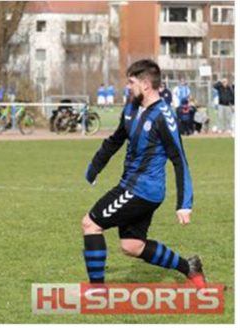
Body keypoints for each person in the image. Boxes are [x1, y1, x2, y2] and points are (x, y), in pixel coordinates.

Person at [82, 59, 205, 289]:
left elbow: (179, 160)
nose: (128, 87)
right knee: (132, 245)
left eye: (131, 82)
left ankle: (97, 292)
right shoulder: (130, 108)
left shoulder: (163, 116)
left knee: (90, 224)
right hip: (136, 187)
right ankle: (189, 267)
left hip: (141, 189)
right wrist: (94, 167)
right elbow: (115, 141)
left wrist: (184, 204)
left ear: (146, 84)